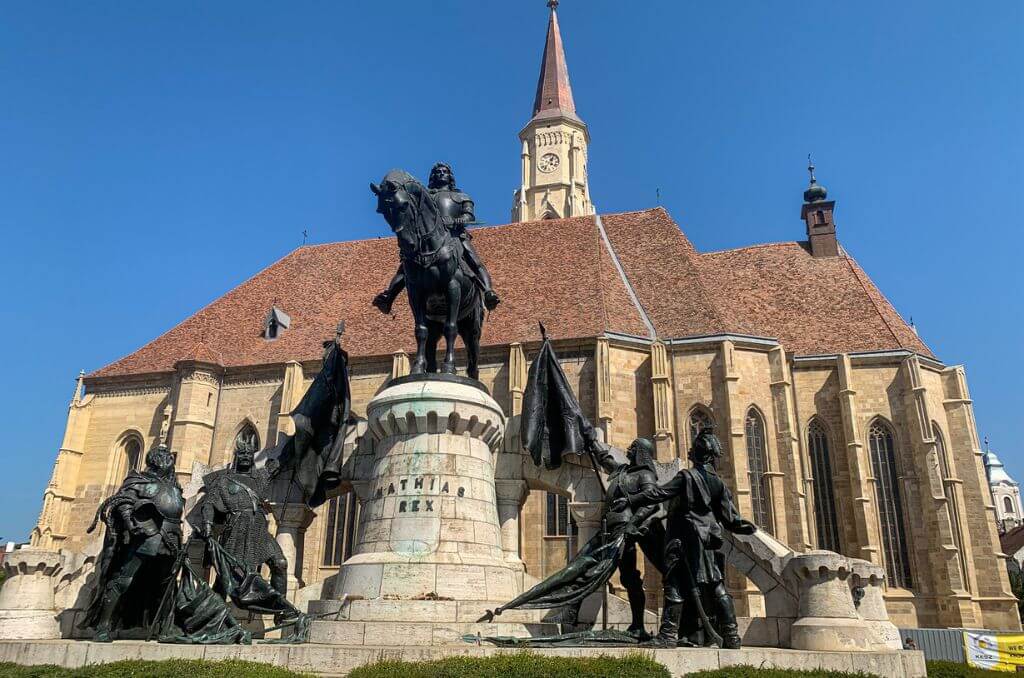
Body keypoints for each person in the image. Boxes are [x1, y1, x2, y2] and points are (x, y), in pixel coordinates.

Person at [613, 427, 756, 648]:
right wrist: (745, 527)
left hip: (682, 540)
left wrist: (631, 500)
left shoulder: (687, 476)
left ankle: (668, 636)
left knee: (674, 584)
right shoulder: (717, 482)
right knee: (716, 586)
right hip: (708, 541)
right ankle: (732, 636)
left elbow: (659, 493)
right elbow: (731, 518)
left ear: (697, 453)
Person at [80, 444, 184, 642]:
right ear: (154, 460)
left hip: (171, 537)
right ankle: (103, 626)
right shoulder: (139, 480)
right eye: (163, 457)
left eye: (169, 457)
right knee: (124, 578)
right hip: (148, 535)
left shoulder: (173, 485)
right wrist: (131, 523)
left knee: (166, 584)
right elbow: (123, 502)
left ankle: (162, 626)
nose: (167, 460)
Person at [373, 162, 500, 314]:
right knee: (406, 265)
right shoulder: (427, 196)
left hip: (455, 236)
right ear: (433, 176)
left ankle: (488, 291)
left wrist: (458, 221)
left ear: (450, 176)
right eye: (437, 172)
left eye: (444, 171)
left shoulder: (461, 196)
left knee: (474, 260)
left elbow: (469, 215)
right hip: (429, 239)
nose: (441, 174)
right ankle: (389, 296)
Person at [191, 437, 288, 600]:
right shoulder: (224, 480)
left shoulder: (260, 477)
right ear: (236, 455)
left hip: (259, 532)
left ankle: (281, 611)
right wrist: (208, 524)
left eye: (248, 453)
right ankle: (213, 612)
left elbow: (281, 462)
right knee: (226, 577)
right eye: (241, 453)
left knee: (280, 563)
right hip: (236, 530)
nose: (244, 456)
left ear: (253, 456)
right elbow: (209, 504)